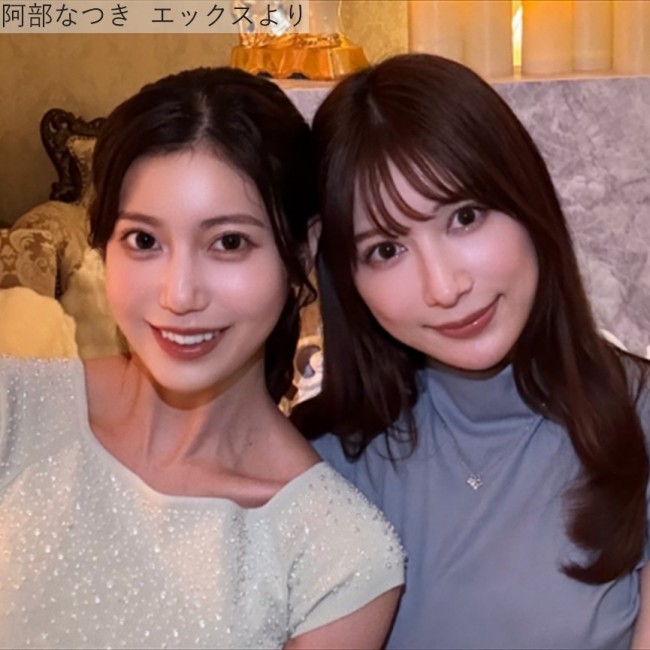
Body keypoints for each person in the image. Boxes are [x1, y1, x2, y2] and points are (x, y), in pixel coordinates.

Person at [0, 67, 404, 649]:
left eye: (229, 242)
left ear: (302, 250)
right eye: (144, 240)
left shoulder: (337, 558)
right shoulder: (16, 411)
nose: (180, 295)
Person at [292, 54, 650, 649]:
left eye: (465, 217)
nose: (444, 287)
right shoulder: (320, 466)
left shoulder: (637, 419)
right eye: (386, 250)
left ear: (527, 199)